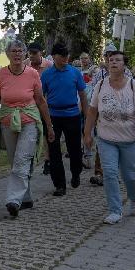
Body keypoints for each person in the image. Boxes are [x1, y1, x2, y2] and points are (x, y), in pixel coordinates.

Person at [0, 40, 55, 217]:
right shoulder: (0, 74)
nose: (17, 54)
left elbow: (41, 101)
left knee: (22, 160)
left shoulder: (32, 74)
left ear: (25, 54)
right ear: (7, 54)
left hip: (29, 121)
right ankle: (26, 197)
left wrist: (49, 126)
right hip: (8, 122)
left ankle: (13, 200)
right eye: (13, 51)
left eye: (20, 51)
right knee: (16, 162)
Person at [82, 50, 135, 224]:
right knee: (110, 173)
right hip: (106, 139)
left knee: (131, 176)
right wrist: (87, 134)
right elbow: (92, 111)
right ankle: (115, 210)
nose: (113, 62)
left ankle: (134, 198)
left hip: (129, 141)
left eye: (118, 60)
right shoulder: (101, 85)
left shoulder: (133, 86)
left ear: (124, 64)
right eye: (111, 60)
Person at [41, 42, 87, 196]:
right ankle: (59, 184)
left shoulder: (75, 73)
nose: (66, 57)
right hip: (53, 116)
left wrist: (86, 116)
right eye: (62, 55)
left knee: (74, 149)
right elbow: (41, 97)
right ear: (54, 57)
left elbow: (82, 95)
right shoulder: (46, 74)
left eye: (67, 54)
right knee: (54, 151)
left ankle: (76, 173)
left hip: (73, 115)